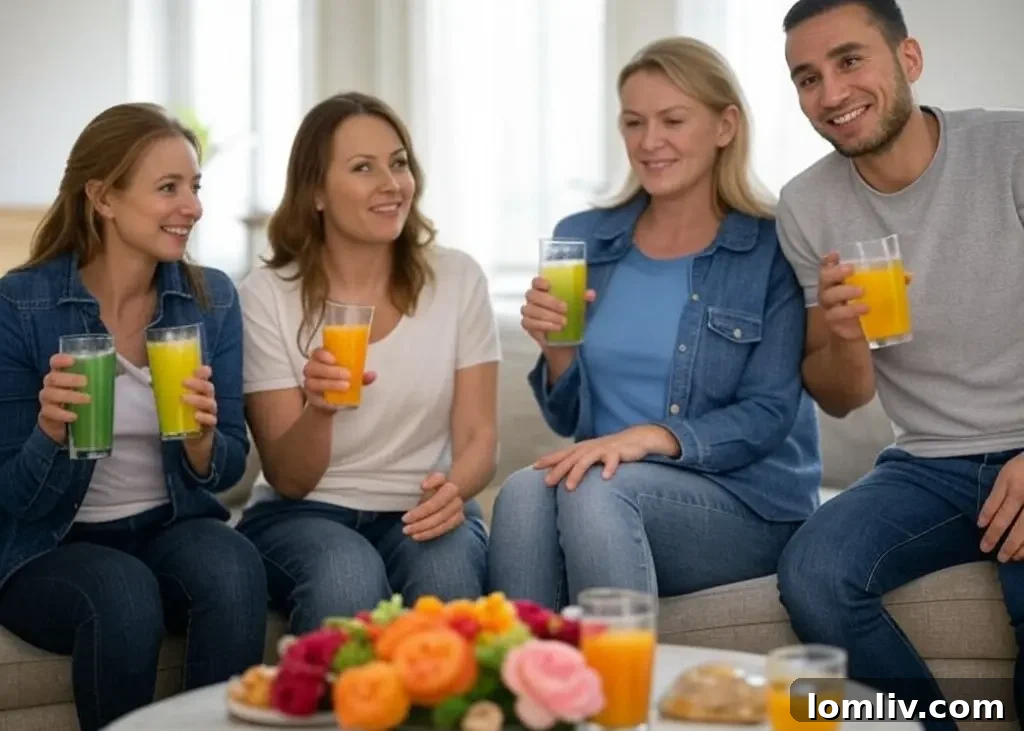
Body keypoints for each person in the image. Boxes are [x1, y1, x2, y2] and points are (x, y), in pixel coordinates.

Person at [486, 36, 822, 609]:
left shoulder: (773, 246)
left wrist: (653, 439)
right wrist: (558, 347)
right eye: (634, 122)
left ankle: (622, 693)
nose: (650, 142)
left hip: (744, 503)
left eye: (673, 120)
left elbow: (767, 414)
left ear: (725, 126)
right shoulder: (585, 237)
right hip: (607, 488)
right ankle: (527, 690)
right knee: (520, 494)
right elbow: (571, 421)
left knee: (596, 491)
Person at [773, 0, 1024, 726]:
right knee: (813, 572)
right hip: (928, 462)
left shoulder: (1009, 152)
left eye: (850, 61)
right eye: (807, 78)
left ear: (908, 60)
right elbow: (844, 397)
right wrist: (845, 334)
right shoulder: (806, 205)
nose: (831, 94)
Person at [0, 102, 267, 731]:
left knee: (235, 567)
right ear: (103, 197)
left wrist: (203, 440)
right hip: (50, 545)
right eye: (169, 188)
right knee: (122, 592)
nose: (193, 206)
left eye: (195, 187)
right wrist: (48, 433)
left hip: (168, 524)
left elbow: (227, 467)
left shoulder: (210, 300)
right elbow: (16, 495)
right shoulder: (21, 303)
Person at [236, 92, 499, 634]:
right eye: (363, 168)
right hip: (301, 514)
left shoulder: (457, 279)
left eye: (398, 163)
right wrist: (321, 410)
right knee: (345, 577)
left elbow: (479, 436)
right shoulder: (266, 295)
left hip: (421, 506)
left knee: (448, 580)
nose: (391, 183)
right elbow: (289, 478)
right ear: (315, 193)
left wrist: (457, 490)